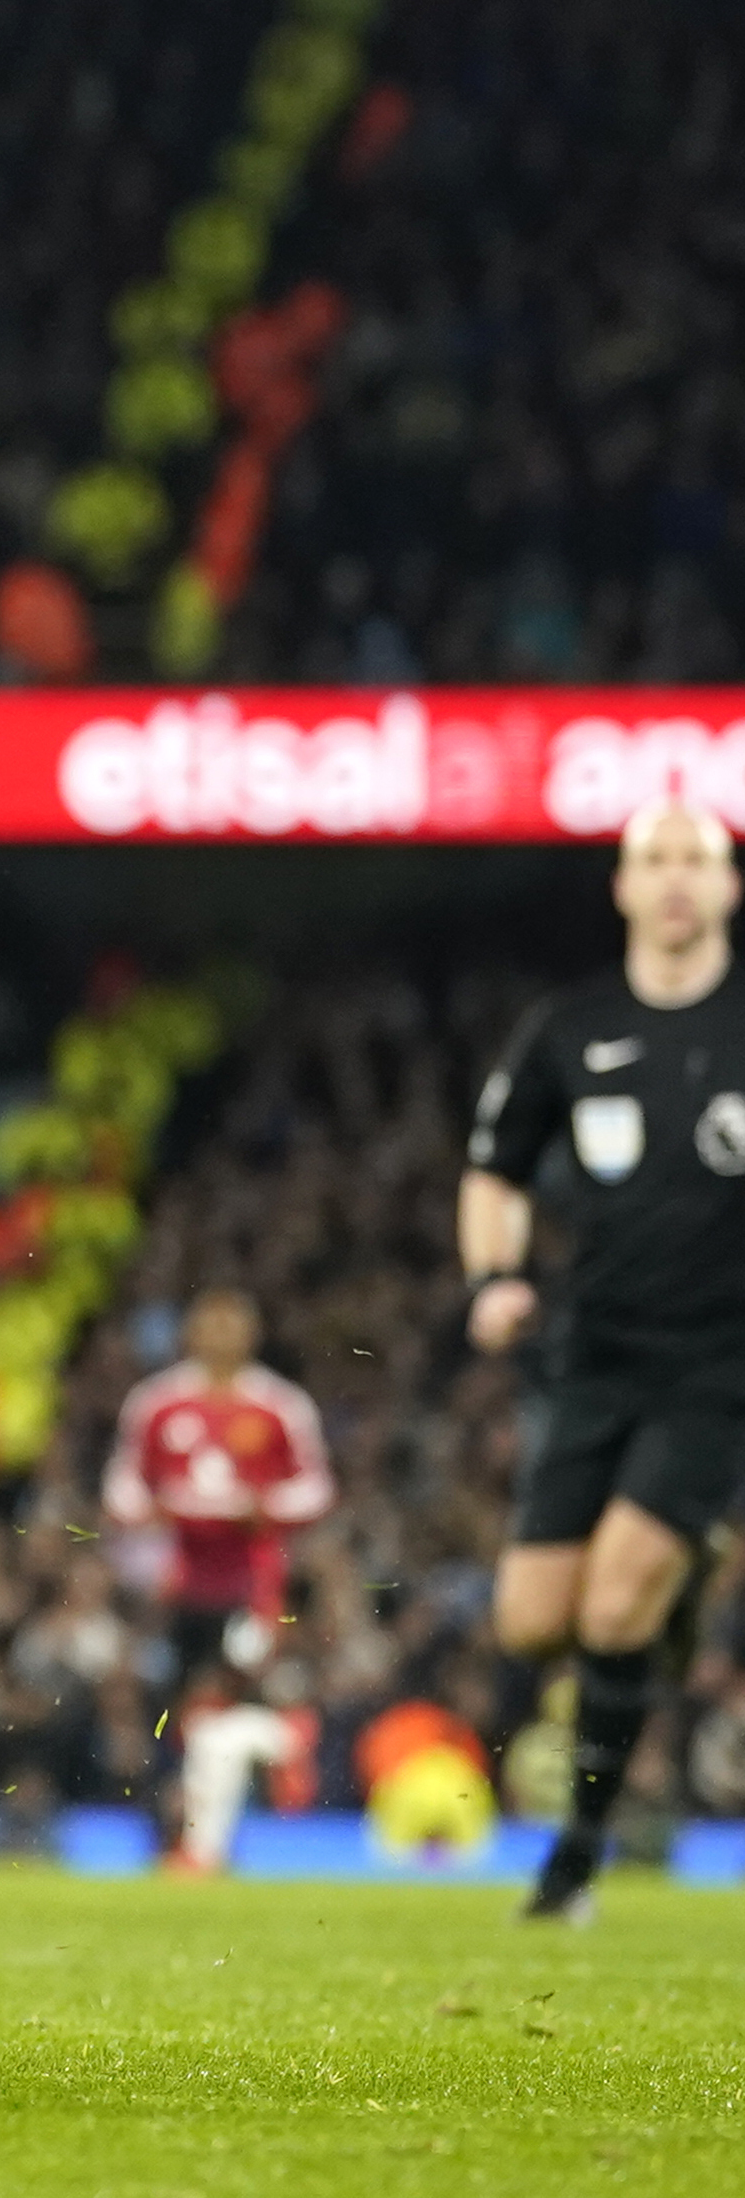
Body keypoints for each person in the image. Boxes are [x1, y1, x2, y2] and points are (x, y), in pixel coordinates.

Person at [465, 797, 745, 1922]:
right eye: (654, 859)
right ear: (622, 887)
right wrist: (493, 1277)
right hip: (593, 1352)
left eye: (698, 859)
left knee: (615, 1608)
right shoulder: (567, 1028)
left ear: (728, 887)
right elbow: (494, 1165)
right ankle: (679, 1585)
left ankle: (574, 1858)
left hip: (720, 1361)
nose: (676, 877)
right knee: (533, 1621)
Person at [98, 1285, 331, 1873]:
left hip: (251, 1583)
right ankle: (183, 1834)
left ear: (253, 1334)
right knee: (170, 1714)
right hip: (174, 1587)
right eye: (211, 1323)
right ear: (191, 1332)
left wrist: (263, 1507)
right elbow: (123, 1487)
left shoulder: (280, 1406)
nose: (222, 1334)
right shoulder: (156, 1404)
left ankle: (212, 1836)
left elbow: (315, 1488)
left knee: (218, 1705)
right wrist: (150, 1513)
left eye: (234, 1323)